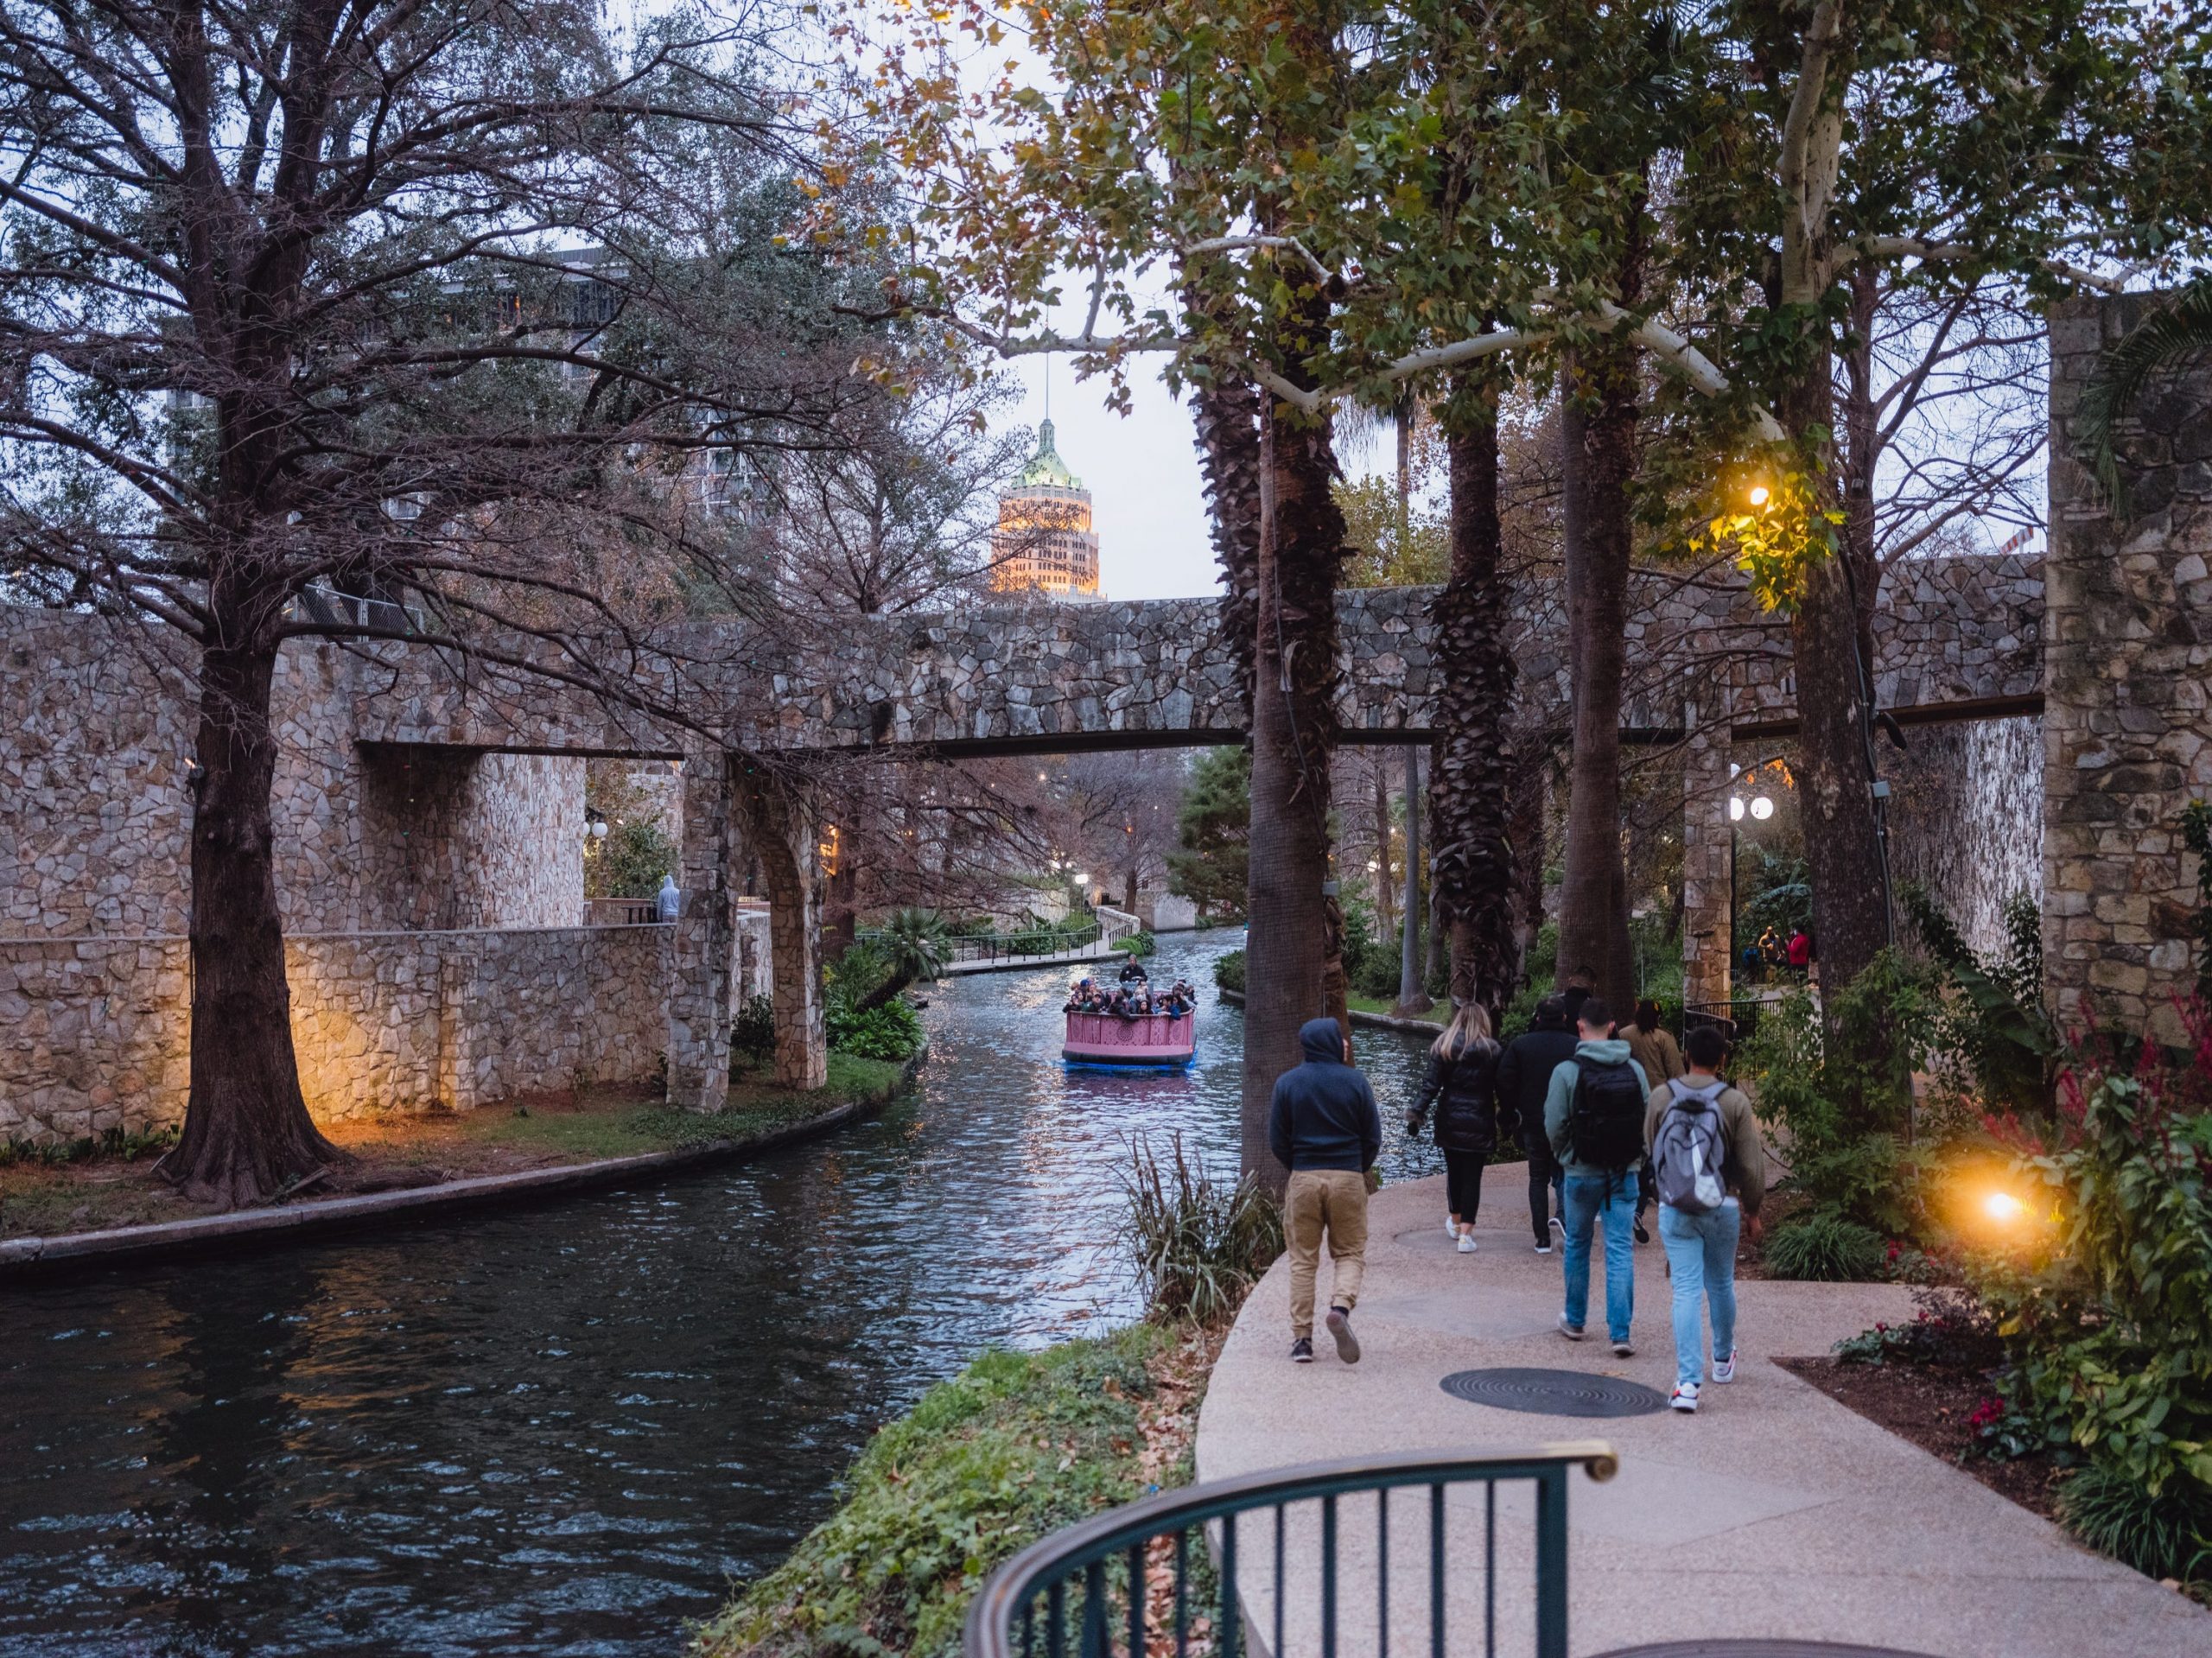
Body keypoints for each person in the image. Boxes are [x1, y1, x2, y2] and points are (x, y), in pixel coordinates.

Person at [1644, 1024, 1767, 1413]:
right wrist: (1754, 1210)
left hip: (1676, 1207)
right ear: (1723, 1060)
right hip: (1722, 1206)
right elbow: (1750, 1165)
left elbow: (1649, 1145)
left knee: (1684, 1289)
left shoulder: (1663, 1096)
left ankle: (1687, 1385)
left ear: (1686, 1056)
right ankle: (1723, 1358)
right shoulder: (1734, 1102)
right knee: (1720, 1283)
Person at [1269, 1018, 1382, 1365]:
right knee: (1349, 1252)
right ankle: (1340, 1309)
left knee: (1303, 1261)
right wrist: (1354, 1165)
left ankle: (1302, 1340)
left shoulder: (1287, 1083)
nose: (1345, 1044)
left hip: (1304, 1175)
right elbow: (1373, 1136)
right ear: (1332, 1044)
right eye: (1341, 1039)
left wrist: (1300, 1166)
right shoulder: (1356, 1082)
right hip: (1348, 1175)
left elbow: (1278, 1140)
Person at [1542, 998, 1649, 1357]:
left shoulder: (1567, 1072)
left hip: (1581, 1173)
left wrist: (1567, 1157)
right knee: (1619, 1249)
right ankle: (1620, 1333)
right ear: (1614, 1026)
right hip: (1624, 1172)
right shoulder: (1633, 1070)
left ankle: (1575, 1319)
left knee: (1578, 1243)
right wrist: (1638, 1158)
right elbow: (1648, 1120)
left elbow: (1554, 1124)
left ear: (1580, 1027)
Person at [1406, 1002, 1503, 1254]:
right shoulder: (1492, 1051)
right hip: (1480, 1120)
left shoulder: (1444, 1047)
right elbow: (1502, 1088)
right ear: (1483, 1021)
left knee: (1455, 1174)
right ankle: (1466, 1235)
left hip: (1450, 1119)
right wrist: (1509, 1115)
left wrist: (1416, 1113)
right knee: (1473, 1177)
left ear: (1458, 1020)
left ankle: (1456, 1221)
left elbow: (1430, 1084)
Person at [1497, 995, 1579, 1254]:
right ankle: (1564, 1220)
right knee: (1565, 1171)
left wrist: (1509, 1114)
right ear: (1565, 1018)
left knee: (1538, 1178)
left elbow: (1504, 1082)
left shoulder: (1521, 1046)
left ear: (1538, 1018)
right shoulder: (1576, 1046)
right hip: (1567, 1121)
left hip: (1533, 1121)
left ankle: (1541, 1237)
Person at [1622, 1000, 1685, 1245]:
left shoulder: (1625, 1034)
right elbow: (1677, 1074)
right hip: (1660, 1107)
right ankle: (1641, 1207)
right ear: (1657, 1017)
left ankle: (1631, 1204)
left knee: (1635, 1157)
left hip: (1631, 1103)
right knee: (1656, 1158)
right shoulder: (1664, 1039)